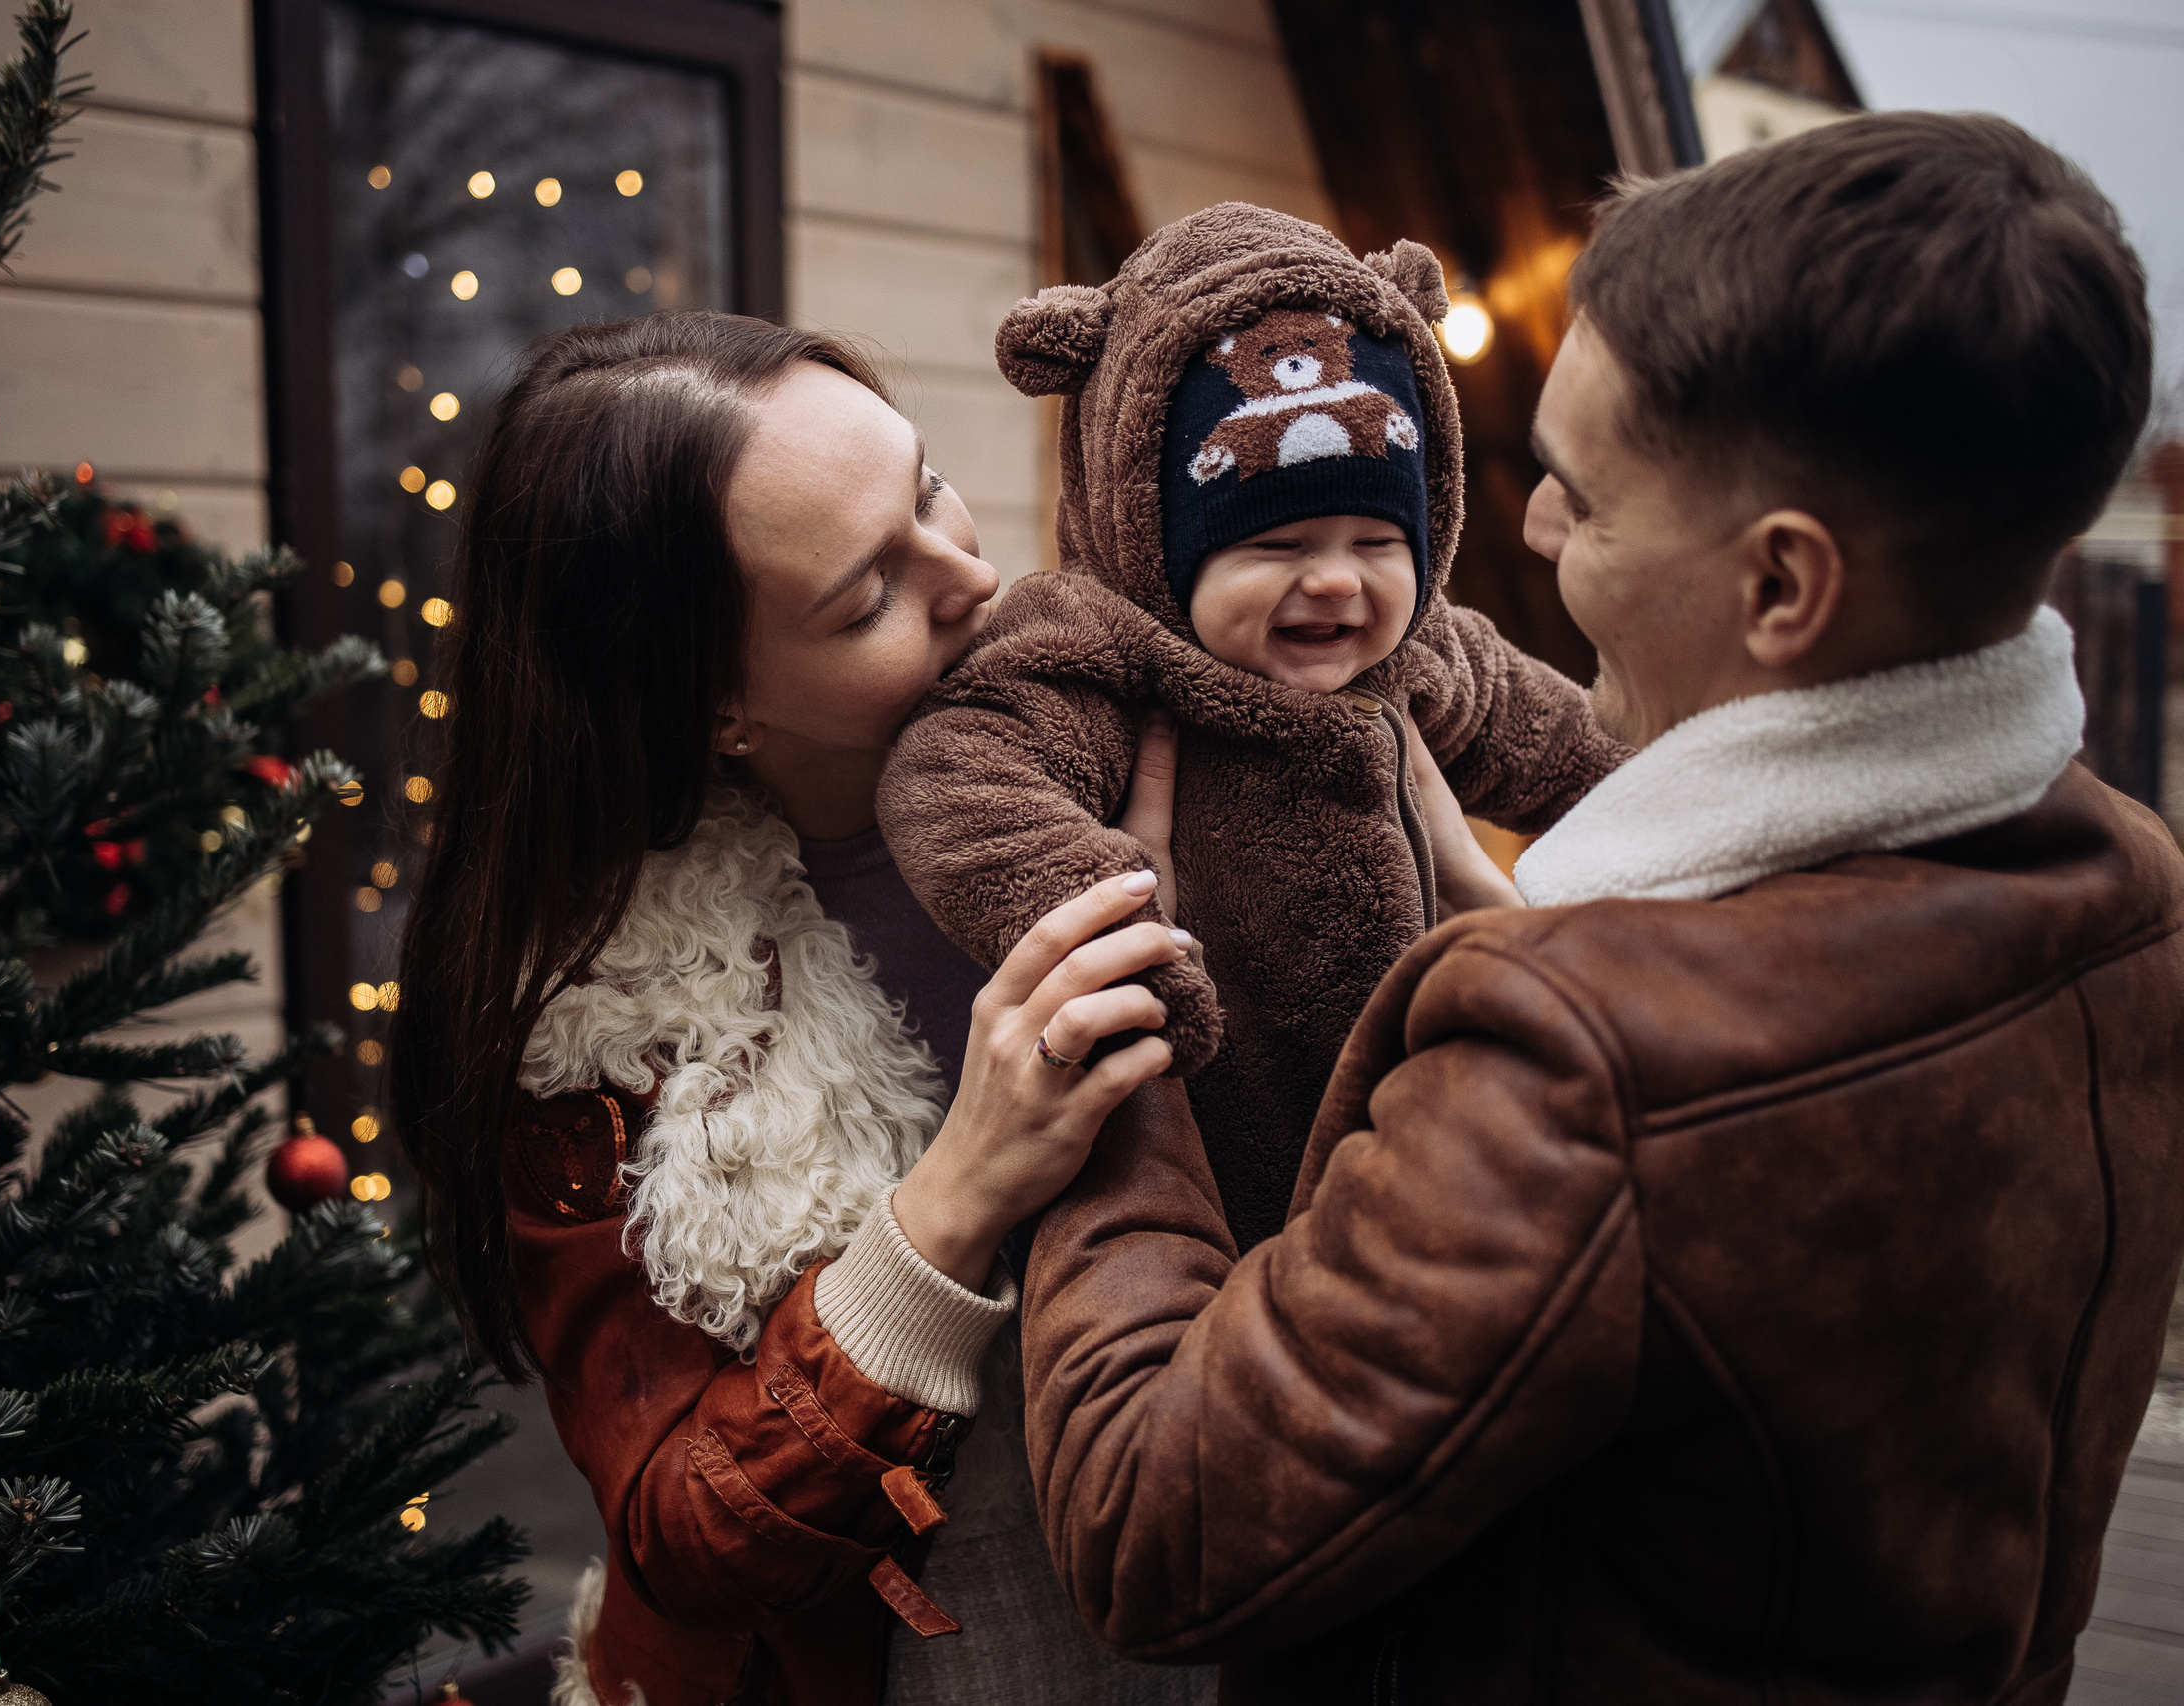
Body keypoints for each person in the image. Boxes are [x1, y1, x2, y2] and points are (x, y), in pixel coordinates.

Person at [1018, 113, 2184, 1701]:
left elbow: (1155, 1520)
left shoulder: (1584, 1073)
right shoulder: (2133, 891)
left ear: (1782, 586)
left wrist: (1122, 1044)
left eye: (1582, 491)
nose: (1532, 533)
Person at [388, 313, 1212, 1706]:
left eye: (931, 485)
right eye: (863, 597)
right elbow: (684, 1531)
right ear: (712, 701)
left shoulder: (1157, 724)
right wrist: (959, 1188)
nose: (971, 572)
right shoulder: (607, 1027)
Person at [878, 203, 1626, 1255]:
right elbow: (957, 779)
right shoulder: (1102, 658)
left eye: (1376, 538)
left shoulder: (1422, 654)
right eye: (1275, 545)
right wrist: (1121, 941)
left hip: (1425, 1143)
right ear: (1161, 547)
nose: (1334, 579)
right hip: (1202, 1172)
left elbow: (1589, 756)